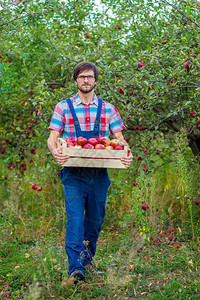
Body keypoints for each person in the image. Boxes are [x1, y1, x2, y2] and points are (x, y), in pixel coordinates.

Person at [47, 62, 133, 283]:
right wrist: (55, 151)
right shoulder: (63, 107)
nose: (86, 80)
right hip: (73, 173)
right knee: (75, 220)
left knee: (95, 222)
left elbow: (119, 139)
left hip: (99, 174)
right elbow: (53, 137)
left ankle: (86, 261)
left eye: (90, 77)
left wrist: (127, 152)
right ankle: (75, 268)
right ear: (75, 80)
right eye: (81, 77)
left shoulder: (108, 108)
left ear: (95, 80)